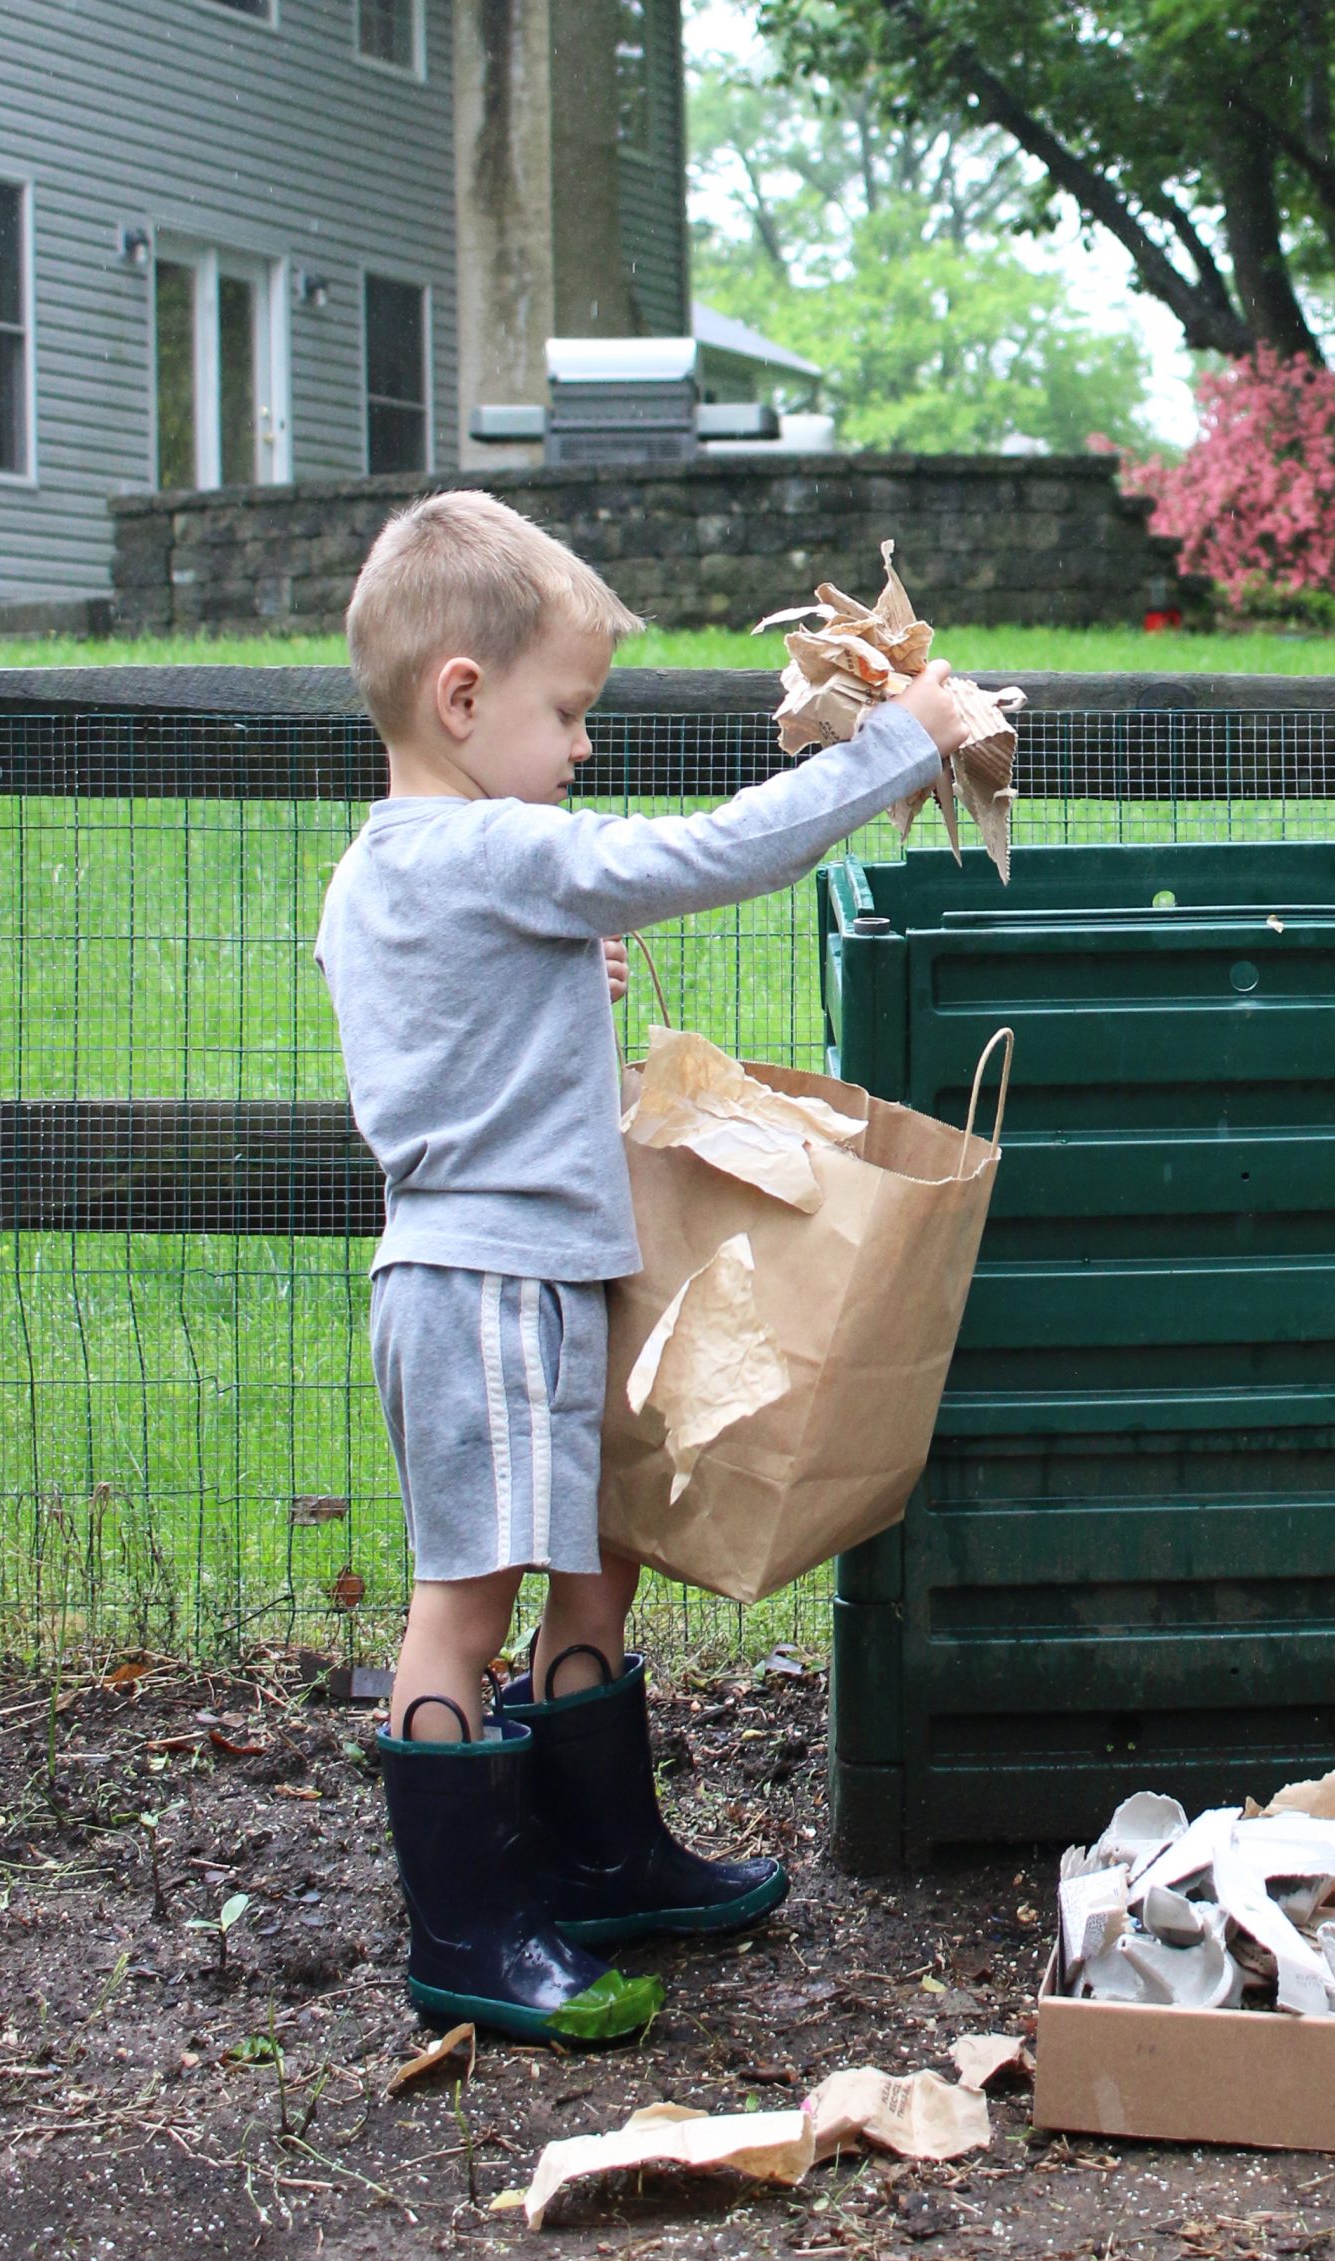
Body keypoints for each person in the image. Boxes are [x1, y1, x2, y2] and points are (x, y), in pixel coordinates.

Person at [317, 489, 962, 2041]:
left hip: (538, 1277)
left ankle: (607, 1860)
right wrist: (901, 744)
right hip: (479, 1288)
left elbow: (444, 1010)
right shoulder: (488, 847)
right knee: (466, 1603)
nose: (583, 748)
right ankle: (469, 1932)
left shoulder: (419, 868)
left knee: (597, 1555)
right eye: (567, 713)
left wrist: (551, 977)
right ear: (460, 699)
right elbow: (703, 853)